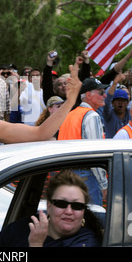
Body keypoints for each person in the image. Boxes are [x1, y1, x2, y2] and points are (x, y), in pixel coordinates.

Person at [0, 170, 102, 247]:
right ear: (49, 205)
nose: (69, 211)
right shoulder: (25, 226)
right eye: (61, 204)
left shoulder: (86, 242)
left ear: (83, 210)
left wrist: (36, 244)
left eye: (77, 206)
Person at [57, 77, 108, 205]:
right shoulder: (91, 116)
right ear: (89, 95)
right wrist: (103, 184)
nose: (105, 95)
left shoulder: (69, 115)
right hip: (86, 176)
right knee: (94, 220)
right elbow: (96, 154)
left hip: (66, 176)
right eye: (101, 92)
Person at [99, 73, 131, 138]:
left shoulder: (131, 113)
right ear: (112, 102)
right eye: (117, 100)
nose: (120, 102)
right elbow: (107, 100)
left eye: (123, 100)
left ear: (127, 103)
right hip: (111, 147)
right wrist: (115, 83)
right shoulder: (108, 114)